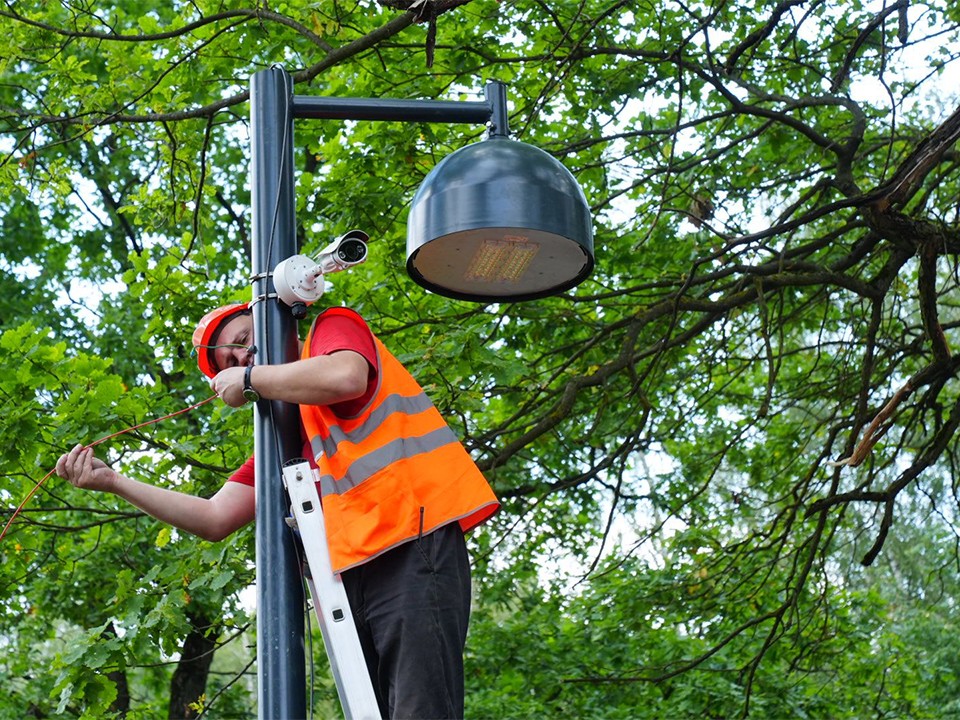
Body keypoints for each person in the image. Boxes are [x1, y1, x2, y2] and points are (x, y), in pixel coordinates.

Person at [56, 302, 500, 720]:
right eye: (230, 362)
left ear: (274, 325)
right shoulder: (286, 440)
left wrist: (250, 379)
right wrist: (113, 482)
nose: (241, 357)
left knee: (420, 709)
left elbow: (347, 376)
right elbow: (214, 518)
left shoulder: (331, 328)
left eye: (244, 338)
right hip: (348, 581)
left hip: (410, 545)